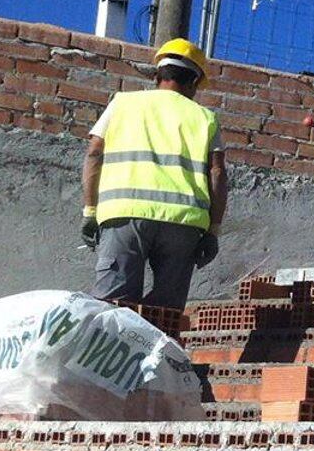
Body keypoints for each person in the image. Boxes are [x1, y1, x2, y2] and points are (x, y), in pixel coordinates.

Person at [80, 38, 228, 311]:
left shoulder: (122, 104)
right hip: (183, 225)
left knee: (112, 308)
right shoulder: (205, 118)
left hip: (125, 215)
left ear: (158, 75)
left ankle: (113, 354)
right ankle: (155, 354)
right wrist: (213, 231)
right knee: (165, 314)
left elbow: (93, 155)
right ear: (194, 82)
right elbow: (217, 173)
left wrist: (90, 211)